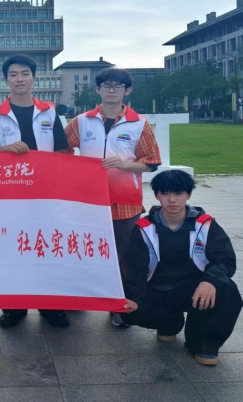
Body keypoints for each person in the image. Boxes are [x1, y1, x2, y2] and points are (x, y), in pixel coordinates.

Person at [64, 67, 161, 327]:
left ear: (127, 91)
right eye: (106, 85)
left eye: (118, 86)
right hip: (88, 201)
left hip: (125, 201)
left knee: (124, 256)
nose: (111, 90)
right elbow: (62, 149)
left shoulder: (139, 123)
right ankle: (80, 298)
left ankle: (120, 306)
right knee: (82, 250)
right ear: (98, 89)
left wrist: (125, 165)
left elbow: (152, 162)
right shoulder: (82, 121)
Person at [0, 54, 72, 329]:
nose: (19, 79)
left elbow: (62, 151)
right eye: (13, 74)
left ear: (34, 77)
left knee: (47, 246)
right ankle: (14, 307)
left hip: (45, 193)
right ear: (6, 80)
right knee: (12, 248)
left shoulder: (49, 112)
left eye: (24, 73)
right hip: (9, 195)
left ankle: (51, 306)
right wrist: (6, 150)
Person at [123, 170, 243, 366]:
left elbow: (225, 260)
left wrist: (210, 280)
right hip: (158, 289)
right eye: (165, 193)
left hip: (195, 289)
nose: (172, 200)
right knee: (127, 305)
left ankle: (204, 343)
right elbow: (135, 269)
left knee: (226, 288)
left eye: (178, 193)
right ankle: (169, 323)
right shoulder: (143, 228)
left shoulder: (205, 225)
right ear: (157, 195)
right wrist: (133, 298)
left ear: (188, 195)